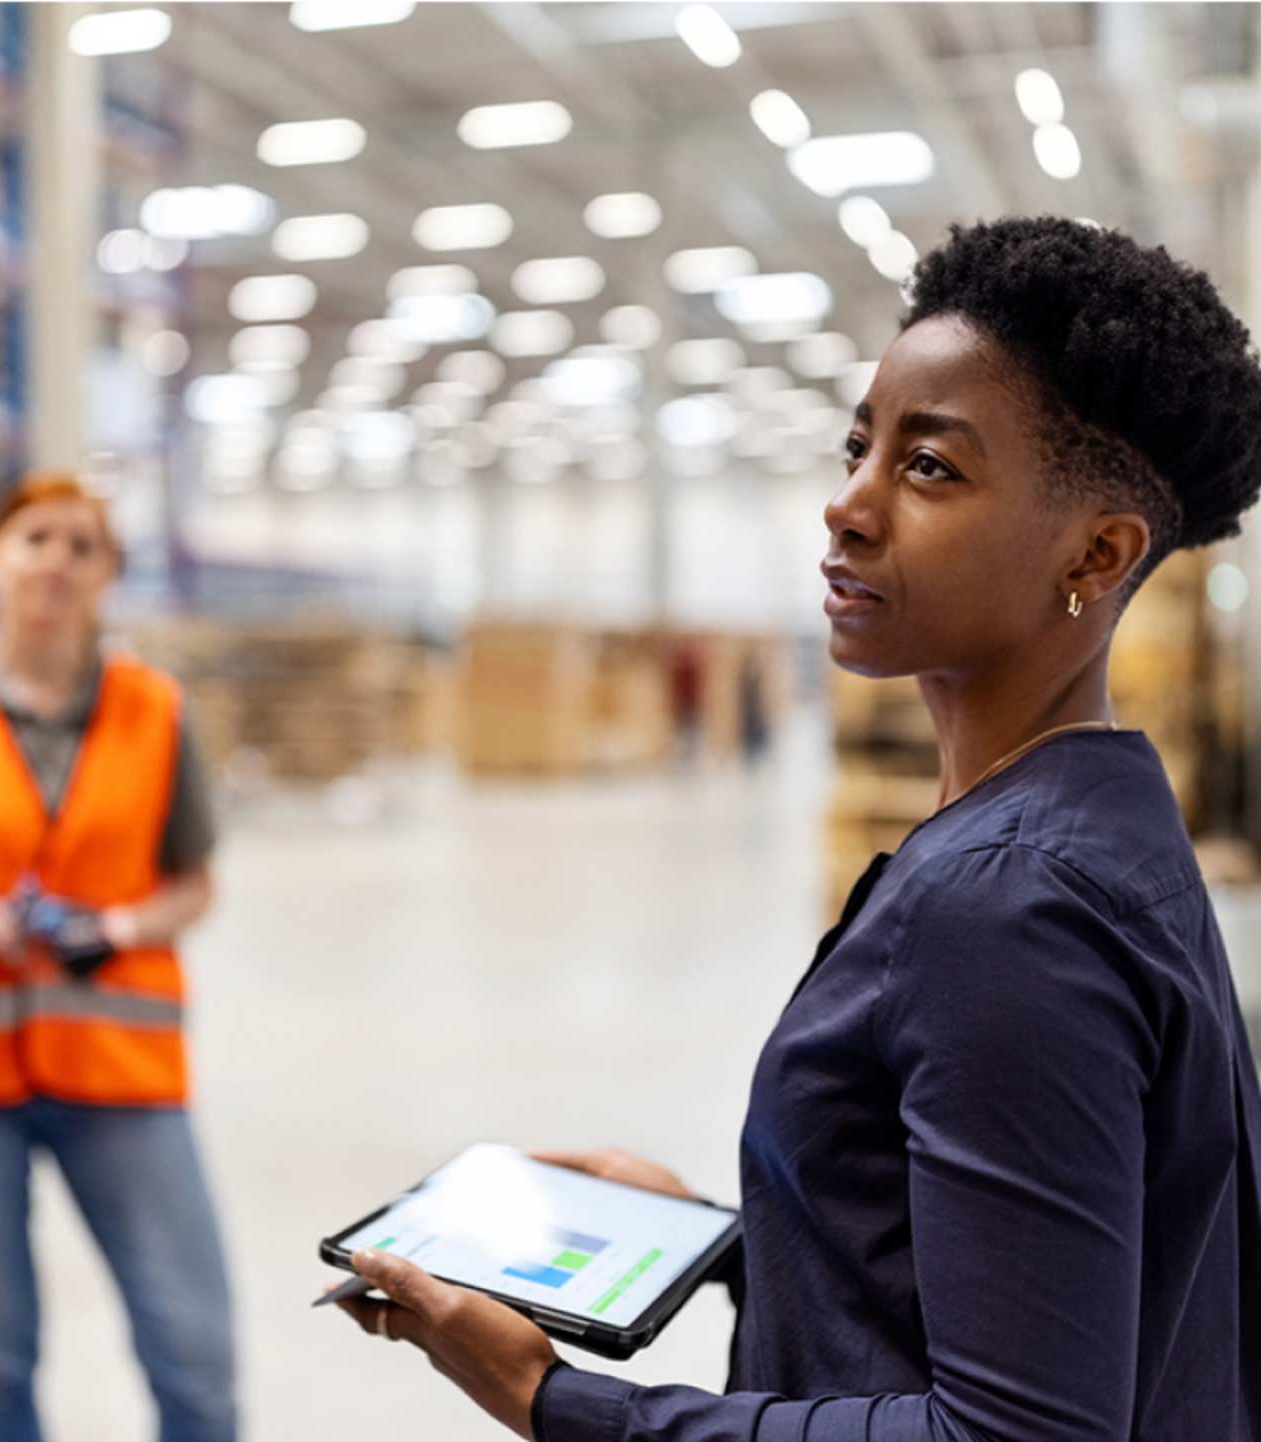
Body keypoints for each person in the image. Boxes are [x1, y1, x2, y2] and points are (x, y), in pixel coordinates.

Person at [333, 218, 1261, 1440]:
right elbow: (1037, 1290)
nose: (848, 506)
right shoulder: (1099, 816)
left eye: (930, 468)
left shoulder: (1010, 904)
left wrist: (552, 1395)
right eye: (858, 447)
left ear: (1096, 551)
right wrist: (748, 1236)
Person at [0, 474, 238, 1442]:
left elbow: (193, 881)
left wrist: (122, 928)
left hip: (121, 1070)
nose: (57, 560)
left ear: (108, 574)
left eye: (82, 545)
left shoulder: (155, 710)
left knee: (194, 1356)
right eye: (36, 538)